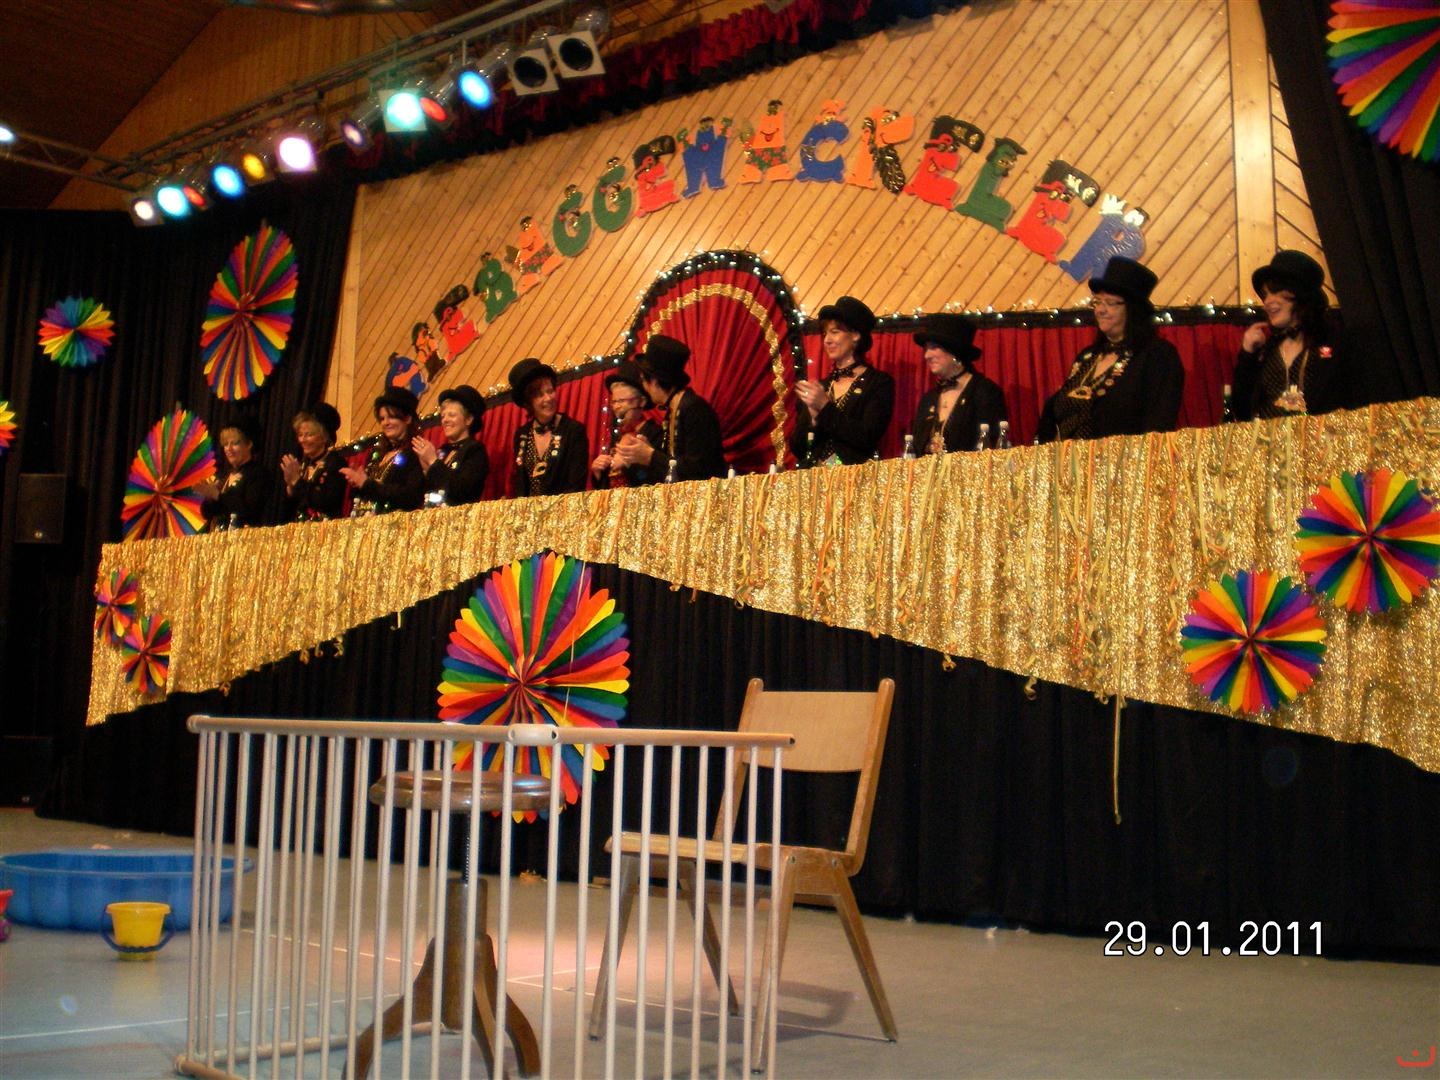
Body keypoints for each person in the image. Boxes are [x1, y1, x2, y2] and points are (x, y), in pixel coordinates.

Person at [1036, 257, 1183, 442]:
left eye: (1110, 303)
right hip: (1068, 459)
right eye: (1097, 302)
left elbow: (1158, 425)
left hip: (1123, 458)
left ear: (1133, 309)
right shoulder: (1087, 357)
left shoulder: (1157, 356)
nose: (1100, 310)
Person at [1232, 250, 1345, 421]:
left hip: (1318, 436)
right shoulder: (1267, 350)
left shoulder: (1331, 342)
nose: (1267, 301)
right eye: (1265, 295)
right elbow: (1241, 410)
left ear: (1299, 294)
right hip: (1268, 437)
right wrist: (1247, 354)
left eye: (1275, 291)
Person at [790, 295, 895, 465]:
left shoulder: (878, 383)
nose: (827, 340)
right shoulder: (821, 387)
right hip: (815, 477)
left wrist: (824, 408)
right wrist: (813, 420)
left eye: (835, 332)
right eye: (825, 333)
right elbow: (798, 448)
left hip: (853, 477)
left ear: (855, 335)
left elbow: (867, 437)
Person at [614, 334, 726, 482]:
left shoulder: (694, 409)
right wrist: (647, 452)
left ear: (654, 381)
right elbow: (672, 464)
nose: (644, 387)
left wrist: (651, 456)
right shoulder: (674, 409)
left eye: (643, 380)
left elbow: (700, 469)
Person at [909, 314, 1008, 453]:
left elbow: (992, 447)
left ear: (955, 352)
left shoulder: (985, 392)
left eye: (934, 347)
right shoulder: (928, 399)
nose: (927, 356)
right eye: (926, 349)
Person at [509, 358, 588, 497]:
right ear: (528, 402)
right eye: (540, 394)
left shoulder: (574, 430)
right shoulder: (521, 434)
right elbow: (521, 484)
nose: (548, 398)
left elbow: (576, 485)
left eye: (550, 391)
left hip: (564, 508)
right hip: (529, 510)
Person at [340, 387, 425, 514]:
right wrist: (358, 484)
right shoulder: (376, 454)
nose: (386, 423)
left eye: (391, 417)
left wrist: (367, 484)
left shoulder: (415, 452)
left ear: (407, 418)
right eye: (382, 418)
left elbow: (410, 496)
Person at [590, 361, 663, 488]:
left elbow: (656, 479)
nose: (617, 407)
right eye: (614, 402)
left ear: (641, 401)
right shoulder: (616, 436)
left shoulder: (655, 433)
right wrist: (598, 473)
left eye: (622, 401)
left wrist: (629, 465)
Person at [413, 384, 489, 506]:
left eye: (451, 415)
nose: (445, 420)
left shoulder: (475, 450)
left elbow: (461, 489)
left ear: (468, 419)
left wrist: (432, 461)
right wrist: (426, 470)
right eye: (443, 416)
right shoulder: (443, 450)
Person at [198, 415, 273, 528]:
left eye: (234, 443)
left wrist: (217, 495)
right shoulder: (224, 476)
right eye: (226, 444)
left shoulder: (258, 474)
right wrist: (209, 498)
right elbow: (208, 514)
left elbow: (249, 509)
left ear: (249, 444)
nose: (229, 449)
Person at [279, 403, 347, 522]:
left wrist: (296, 481)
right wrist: (290, 487)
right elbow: (289, 511)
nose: (302, 440)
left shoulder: (336, 463)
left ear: (324, 436)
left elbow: (326, 503)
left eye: (309, 435)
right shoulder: (303, 465)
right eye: (300, 435)